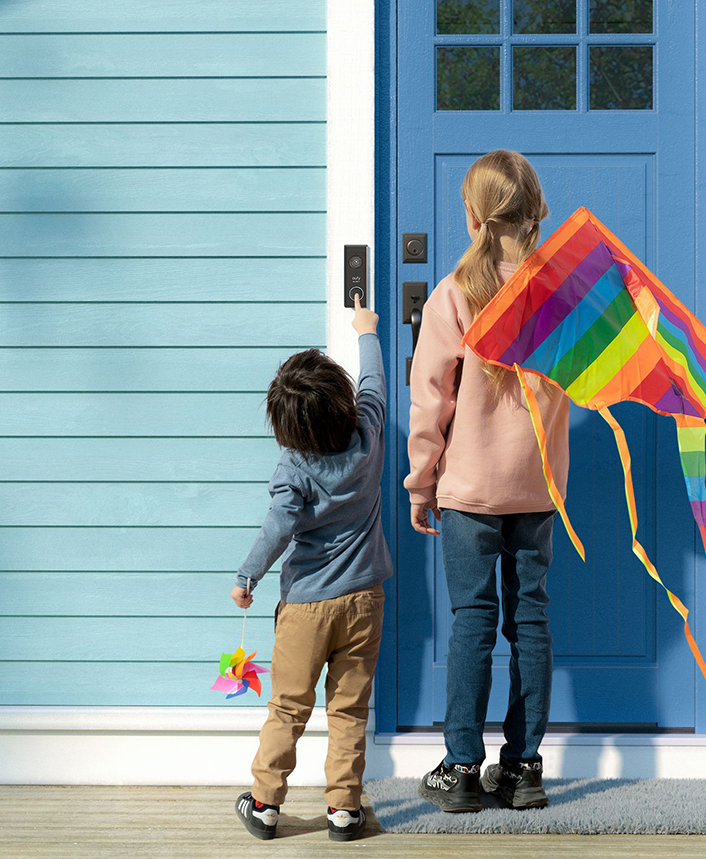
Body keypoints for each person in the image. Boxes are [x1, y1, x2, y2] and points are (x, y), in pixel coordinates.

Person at [406, 149, 566, 813]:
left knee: (472, 620)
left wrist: (421, 483)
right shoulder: (560, 296)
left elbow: (429, 399)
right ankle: (524, 766)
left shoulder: (455, 294)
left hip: (469, 489)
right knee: (530, 617)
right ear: (536, 214)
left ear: (473, 216)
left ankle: (461, 767)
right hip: (537, 489)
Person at [230, 293, 392, 842]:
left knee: (289, 707)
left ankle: (265, 804)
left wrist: (246, 578)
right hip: (366, 598)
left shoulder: (292, 468)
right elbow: (375, 381)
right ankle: (344, 811)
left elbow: (276, 528)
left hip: (305, 609)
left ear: (287, 427)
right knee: (349, 709)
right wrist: (365, 329)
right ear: (343, 400)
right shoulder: (368, 434)